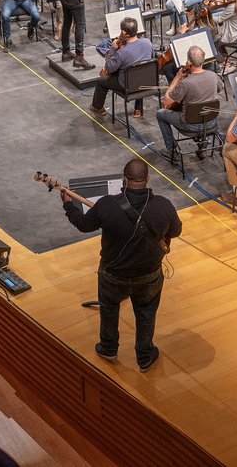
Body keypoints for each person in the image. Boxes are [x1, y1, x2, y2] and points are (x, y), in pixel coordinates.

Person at [61, 157, 181, 372]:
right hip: (149, 276)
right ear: (147, 179)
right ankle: (144, 357)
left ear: (124, 180)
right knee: (146, 314)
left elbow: (83, 225)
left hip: (112, 275)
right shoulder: (163, 205)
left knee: (109, 309)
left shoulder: (107, 204)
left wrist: (69, 206)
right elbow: (175, 232)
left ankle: (108, 348)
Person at [157, 45, 224, 159]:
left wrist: (177, 78)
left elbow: (167, 101)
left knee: (160, 114)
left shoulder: (186, 83)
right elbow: (220, 88)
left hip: (190, 125)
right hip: (211, 121)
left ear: (189, 62)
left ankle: (171, 150)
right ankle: (204, 140)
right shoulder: (213, 75)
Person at [90, 17, 153, 117]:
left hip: (127, 86)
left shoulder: (122, 52)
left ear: (125, 33)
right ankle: (138, 109)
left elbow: (109, 68)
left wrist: (113, 49)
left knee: (101, 81)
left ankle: (97, 107)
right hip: (145, 82)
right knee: (140, 69)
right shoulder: (148, 43)